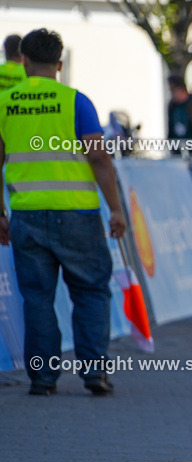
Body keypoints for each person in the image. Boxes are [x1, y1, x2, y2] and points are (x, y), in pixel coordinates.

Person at [0, 28, 127, 395]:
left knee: (37, 299)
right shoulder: (76, 101)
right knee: (90, 292)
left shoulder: (5, 103)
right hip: (77, 216)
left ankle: (42, 378)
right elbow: (99, 157)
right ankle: (94, 374)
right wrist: (116, 209)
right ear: (59, 63)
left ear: (23, 60)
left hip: (26, 215)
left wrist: (1, 213)